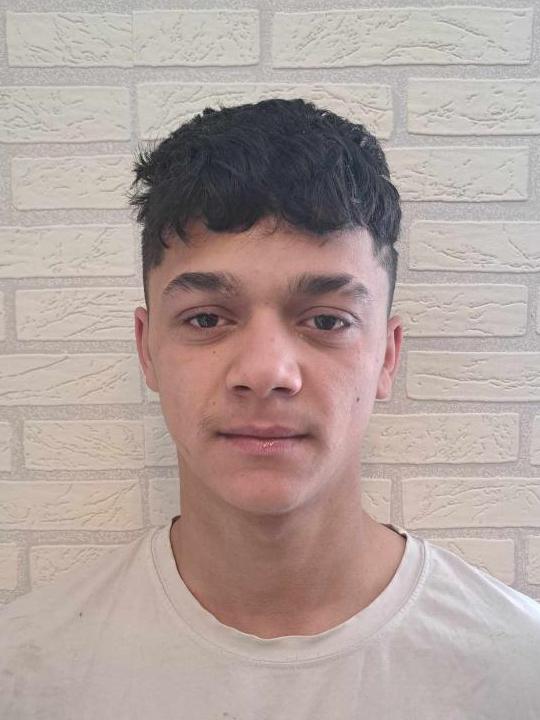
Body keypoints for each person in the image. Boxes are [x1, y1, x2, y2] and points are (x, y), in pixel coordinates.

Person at [1, 98, 539, 719]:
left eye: (327, 320)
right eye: (206, 319)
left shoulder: (516, 669)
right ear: (147, 350)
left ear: (387, 358)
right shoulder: (28, 673)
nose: (265, 372)